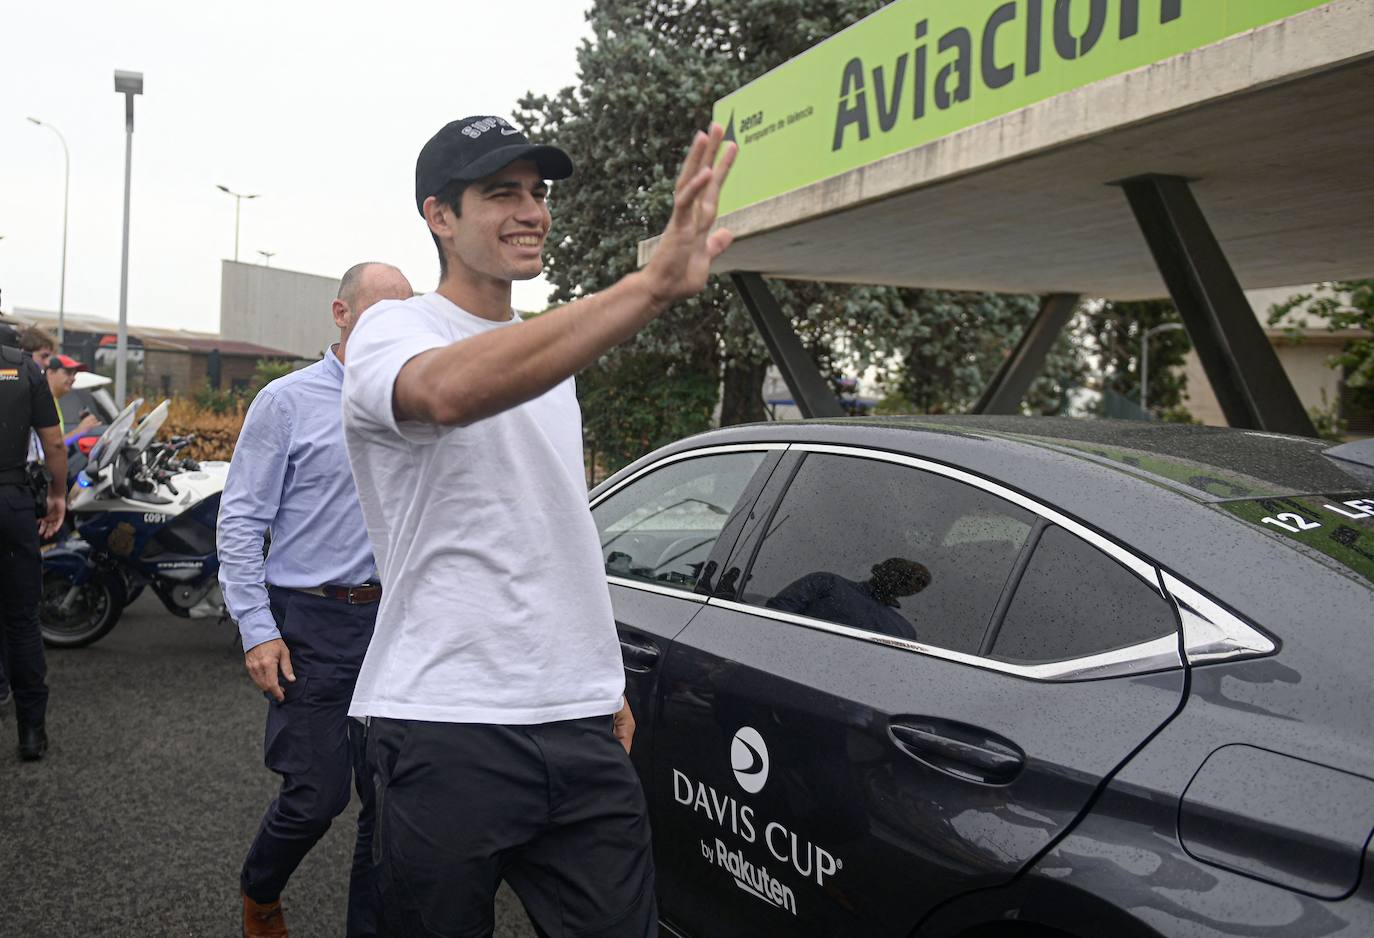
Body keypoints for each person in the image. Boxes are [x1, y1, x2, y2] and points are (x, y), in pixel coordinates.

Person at [341, 115, 735, 936]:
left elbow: (550, 524)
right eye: (501, 193)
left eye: (538, 192)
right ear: (439, 216)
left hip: (579, 719)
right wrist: (648, 286)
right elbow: (447, 394)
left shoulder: (545, 356)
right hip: (447, 723)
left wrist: (600, 675)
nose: (531, 211)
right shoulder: (394, 329)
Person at [218, 262, 414, 938]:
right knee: (316, 796)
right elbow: (241, 519)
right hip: (311, 622)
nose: (396, 325)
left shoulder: (413, 401)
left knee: (387, 804)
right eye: (381, 309)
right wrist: (255, 628)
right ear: (341, 312)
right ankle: (260, 892)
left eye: (406, 311)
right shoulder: (287, 401)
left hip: (393, 624)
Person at [0, 319, 66, 760]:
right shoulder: (24, 369)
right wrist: (58, 495)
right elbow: (55, 444)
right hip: (11, 503)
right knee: (22, 620)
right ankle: (30, 733)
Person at [43, 352, 101, 447]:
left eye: (74, 374)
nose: (73, 378)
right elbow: (53, 446)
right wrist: (80, 430)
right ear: (50, 373)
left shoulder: (52, 401)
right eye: (68, 373)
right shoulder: (44, 403)